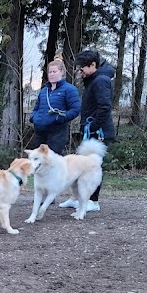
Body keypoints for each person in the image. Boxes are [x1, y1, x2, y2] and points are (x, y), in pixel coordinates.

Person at [59, 48, 116, 212]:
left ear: (93, 65)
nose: (80, 71)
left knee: (93, 167)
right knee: (81, 165)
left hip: (98, 132)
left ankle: (93, 201)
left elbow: (105, 107)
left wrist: (95, 127)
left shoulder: (101, 81)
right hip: (91, 130)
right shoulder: (93, 80)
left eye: (82, 67)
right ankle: (76, 198)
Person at [29, 56, 81, 154]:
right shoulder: (44, 91)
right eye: (50, 72)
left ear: (62, 73)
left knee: (52, 162)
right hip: (39, 132)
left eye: (54, 72)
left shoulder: (69, 89)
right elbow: (36, 108)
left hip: (57, 134)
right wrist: (34, 118)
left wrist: (60, 118)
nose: (51, 74)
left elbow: (75, 109)